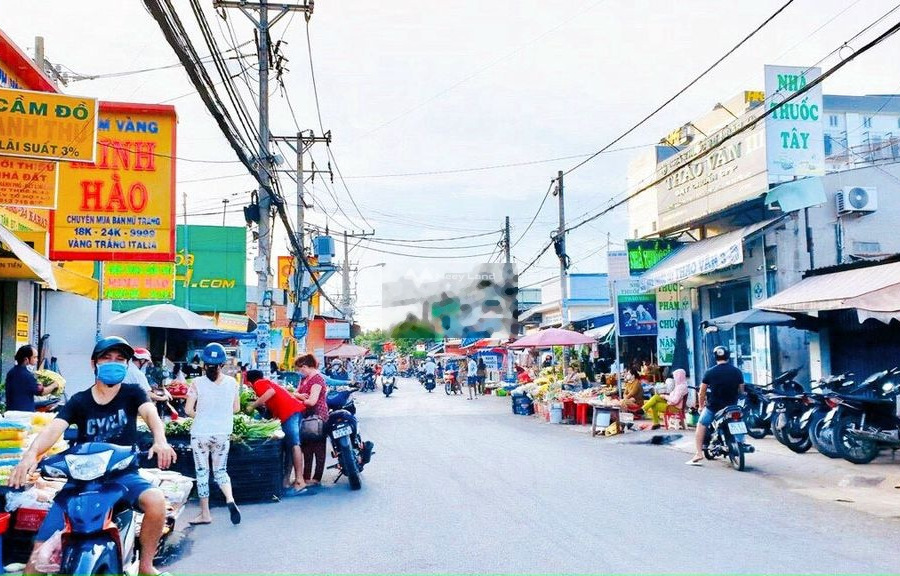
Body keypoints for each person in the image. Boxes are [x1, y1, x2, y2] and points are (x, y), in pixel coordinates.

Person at [10, 336, 176, 576]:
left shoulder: (133, 393)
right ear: (94, 363)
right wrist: (31, 455)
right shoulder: (80, 400)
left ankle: (146, 565)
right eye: (106, 358)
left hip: (122, 476)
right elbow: (53, 429)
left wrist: (161, 440)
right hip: (81, 482)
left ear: (127, 365)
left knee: (156, 501)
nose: (113, 363)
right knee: (35, 565)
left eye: (120, 359)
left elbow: (150, 414)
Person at [184, 343, 241, 525]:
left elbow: (188, 410)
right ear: (222, 364)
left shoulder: (196, 383)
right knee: (220, 471)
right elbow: (236, 408)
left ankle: (205, 514)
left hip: (201, 433)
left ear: (203, 363)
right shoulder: (232, 383)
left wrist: (203, 415)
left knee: (202, 472)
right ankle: (230, 499)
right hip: (223, 433)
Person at [244, 370, 312, 496]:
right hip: (292, 412)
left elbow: (271, 392)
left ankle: (300, 481)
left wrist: (252, 406)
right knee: (289, 446)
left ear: (250, 382)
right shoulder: (267, 382)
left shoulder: (259, 383)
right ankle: (286, 481)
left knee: (294, 444)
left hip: (290, 412)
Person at [688, 346, 745, 465]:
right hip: (732, 406)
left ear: (715, 357)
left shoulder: (710, 372)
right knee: (739, 420)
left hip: (714, 407)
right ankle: (741, 442)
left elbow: (702, 392)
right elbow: (741, 391)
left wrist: (701, 406)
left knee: (701, 424)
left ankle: (698, 453)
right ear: (728, 356)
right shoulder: (737, 371)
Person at [293, 354, 330, 488]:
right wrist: (298, 395)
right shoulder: (304, 379)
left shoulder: (317, 380)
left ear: (305, 366)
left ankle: (316, 478)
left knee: (319, 448)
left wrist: (300, 397)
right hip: (306, 417)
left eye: (300, 369)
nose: (299, 372)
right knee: (306, 447)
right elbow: (296, 393)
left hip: (318, 416)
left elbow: (312, 401)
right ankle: (306, 476)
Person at [5, 344, 58, 412]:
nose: (37, 360)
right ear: (26, 359)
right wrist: (54, 385)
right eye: (35, 357)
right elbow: (41, 392)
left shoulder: (11, 372)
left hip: (10, 412)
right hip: (24, 414)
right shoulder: (27, 375)